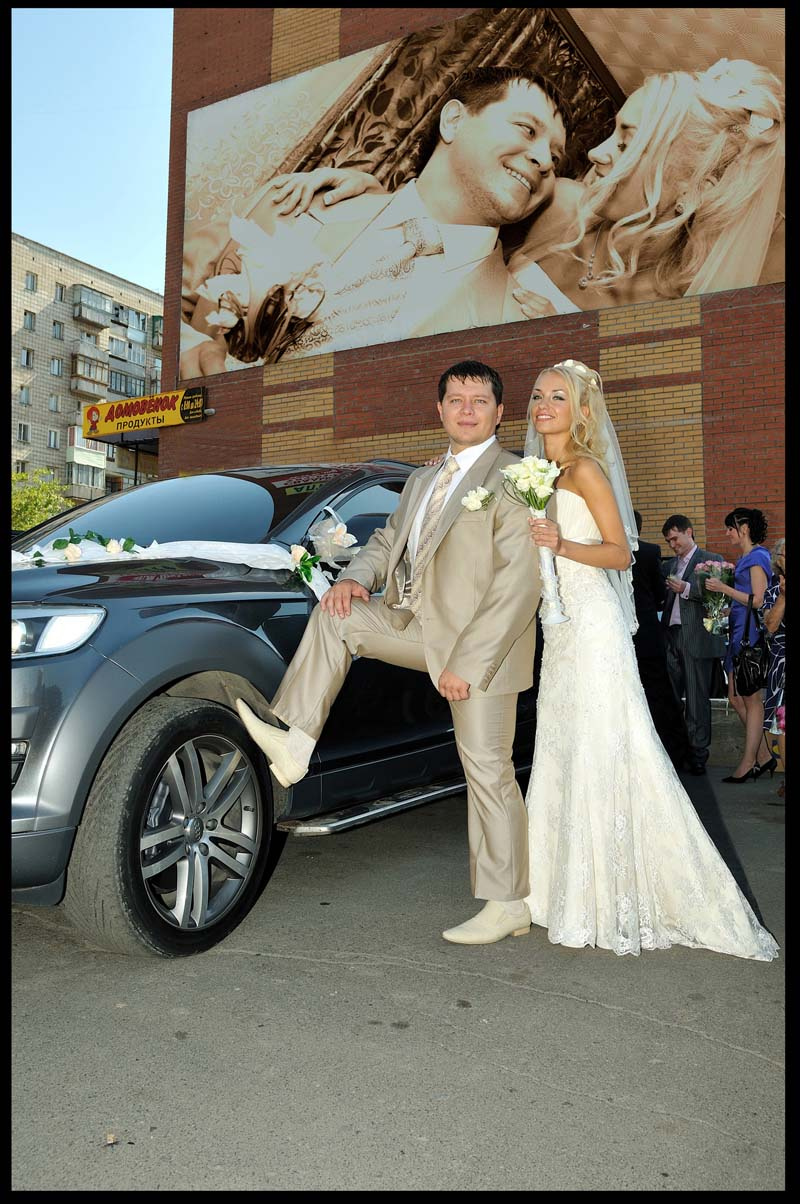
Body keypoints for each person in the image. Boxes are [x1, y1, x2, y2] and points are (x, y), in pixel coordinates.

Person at [235, 360, 543, 945]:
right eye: (457, 400)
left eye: (480, 401)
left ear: (500, 412)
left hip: (482, 648)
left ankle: (507, 903)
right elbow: (385, 539)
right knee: (338, 616)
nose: (468, 410)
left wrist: (468, 663)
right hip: (415, 622)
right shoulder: (425, 479)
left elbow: (517, 583)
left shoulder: (517, 478)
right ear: (440, 409)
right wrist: (355, 578)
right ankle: (295, 743)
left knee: (487, 771)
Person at [523, 358, 777, 959]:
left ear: (580, 411)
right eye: (537, 395)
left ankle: (616, 893)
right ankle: (555, 891)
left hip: (593, 626)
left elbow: (620, 553)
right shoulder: (540, 474)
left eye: (557, 397)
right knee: (563, 743)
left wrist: (562, 543)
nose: (543, 406)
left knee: (609, 743)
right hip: (560, 630)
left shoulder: (585, 469)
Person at [180, 66, 573, 375]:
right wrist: (187, 350)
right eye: (527, 129)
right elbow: (173, 302)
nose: (544, 161)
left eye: (555, 158)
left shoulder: (514, 327)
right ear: (453, 120)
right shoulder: (299, 201)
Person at [509, 58, 785, 309]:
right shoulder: (556, 203)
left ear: (695, 190)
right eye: (612, 133)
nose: (595, 152)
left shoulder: (676, 309)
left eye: (625, 145)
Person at [706, 507, 773, 782]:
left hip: (750, 634)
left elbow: (758, 600)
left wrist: (724, 589)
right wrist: (725, 609)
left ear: (744, 529)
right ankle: (764, 756)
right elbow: (745, 599)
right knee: (735, 697)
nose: (727, 533)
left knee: (750, 698)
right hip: (738, 631)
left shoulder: (757, 556)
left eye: (730, 528)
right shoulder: (746, 557)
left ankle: (749, 761)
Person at [660, 514, 727, 775]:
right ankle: (676, 749)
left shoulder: (711, 560)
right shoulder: (668, 565)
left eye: (675, 539)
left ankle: (698, 753)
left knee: (697, 698)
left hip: (697, 637)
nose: (672, 545)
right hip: (670, 636)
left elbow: (718, 597)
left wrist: (686, 588)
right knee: (670, 697)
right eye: (669, 541)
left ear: (689, 532)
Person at [630, 509, 691, 770]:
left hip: (617, 632)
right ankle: (675, 753)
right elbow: (659, 594)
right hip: (646, 634)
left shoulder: (601, 551)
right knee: (660, 694)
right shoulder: (648, 552)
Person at [760, 539, 785, 802]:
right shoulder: (773, 590)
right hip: (783, 663)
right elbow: (770, 626)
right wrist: (784, 596)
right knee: (784, 724)